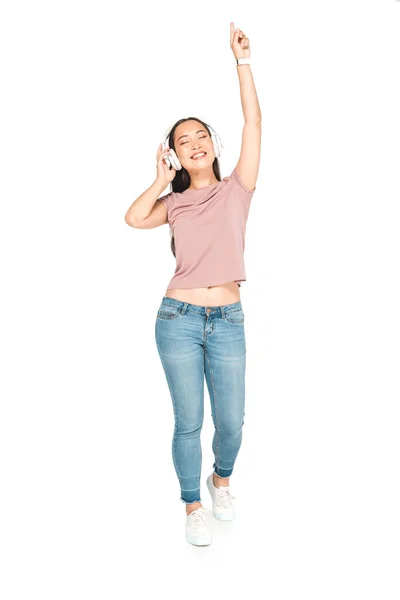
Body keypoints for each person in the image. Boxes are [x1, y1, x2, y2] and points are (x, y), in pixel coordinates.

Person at [125, 23, 261, 546]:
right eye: (183, 141)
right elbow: (134, 219)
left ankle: (221, 478)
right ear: (175, 154)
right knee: (189, 421)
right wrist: (160, 181)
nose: (194, 144)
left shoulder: (237, 189)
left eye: (201, 135)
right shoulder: (174, 203)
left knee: (231, 421)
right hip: (177, 319)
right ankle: (192, 505)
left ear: (212, 144)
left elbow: (254, 123)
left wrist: (242, 62)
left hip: (227, 320)